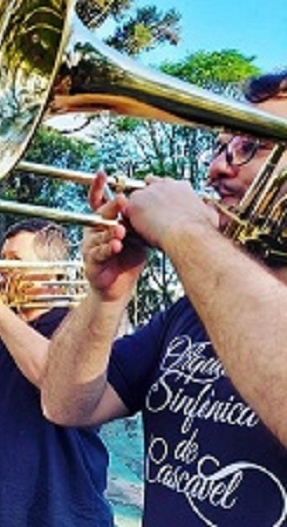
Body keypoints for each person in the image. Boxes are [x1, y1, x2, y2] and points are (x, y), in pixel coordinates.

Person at [40, 71, 287, 526]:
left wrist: (181, 231)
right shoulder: (190, 312)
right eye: (221, 147)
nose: (215, 168)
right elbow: (64, 404)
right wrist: (107, 294)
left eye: (251, 145)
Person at [0, 219, 113, 526]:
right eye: (2, 257)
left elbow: (53, 378)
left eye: (14, 260)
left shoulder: (77, 327)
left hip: (58, 516)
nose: (2, 268)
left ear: (53, 271)